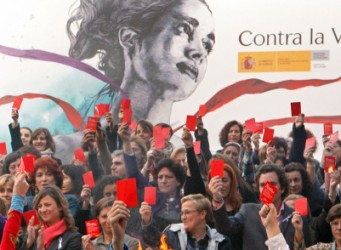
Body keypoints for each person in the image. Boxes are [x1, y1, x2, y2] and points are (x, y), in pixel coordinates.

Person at [67, 0, 215, 124]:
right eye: (185, 29)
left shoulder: (193, 156)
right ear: (129, 38)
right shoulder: (66, 149)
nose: (200, 52)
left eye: (207, 45)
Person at [212, 164, 313, 250]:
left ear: (282, 188)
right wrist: (217, 199)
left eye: (272, 184)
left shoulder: (297, 217)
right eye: (262, 185)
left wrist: (299, 233)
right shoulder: (247, 211)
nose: (267, 188)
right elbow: (224, 228)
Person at [160, 194, 231, 249]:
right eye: (182, 213)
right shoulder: (171, 234)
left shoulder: (221, 242)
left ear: (202, 214)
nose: (183, 217)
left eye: (187, 212)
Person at [21, 185, 82, 249]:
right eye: (39, 206)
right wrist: (29, 242)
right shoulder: (33, 233)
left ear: (60, 206)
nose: (43, 210)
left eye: (47, 205)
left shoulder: (73, 237)